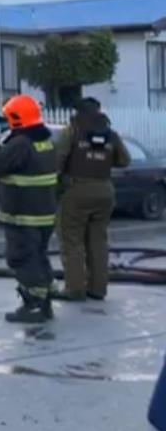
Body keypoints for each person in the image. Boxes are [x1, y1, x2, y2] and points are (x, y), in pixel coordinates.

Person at [0, 95, 60, 324]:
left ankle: (33, 305)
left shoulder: (21, 144)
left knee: (22, 258)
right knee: (38, 257)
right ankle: (45, 302)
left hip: (22, 215)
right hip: (44, 214)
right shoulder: (45, 141)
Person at [54, 98, 130, 302]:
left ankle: (75, 289)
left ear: (78, 112)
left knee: (72, 241)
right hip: (105, 190)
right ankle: (98, 289)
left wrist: (58, 181)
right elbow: (124, 160)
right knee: (98, 241)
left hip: (76, 190)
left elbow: (57, 160)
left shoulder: (72, 131)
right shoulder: (110, 134)